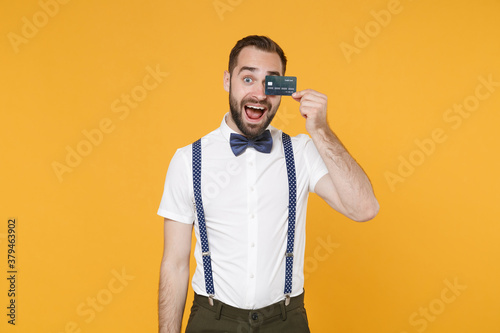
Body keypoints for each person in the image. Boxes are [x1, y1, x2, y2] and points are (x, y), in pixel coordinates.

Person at [157, 35, 379, 333]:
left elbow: (364, 208)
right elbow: (174, 264)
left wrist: (321, 130)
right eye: (248, 78)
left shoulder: (301, 152)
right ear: (228, 81)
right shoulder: (188, 160)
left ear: (282, 90)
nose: (259, 94)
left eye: (270, 83)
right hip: (212, 321)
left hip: (287, 322)